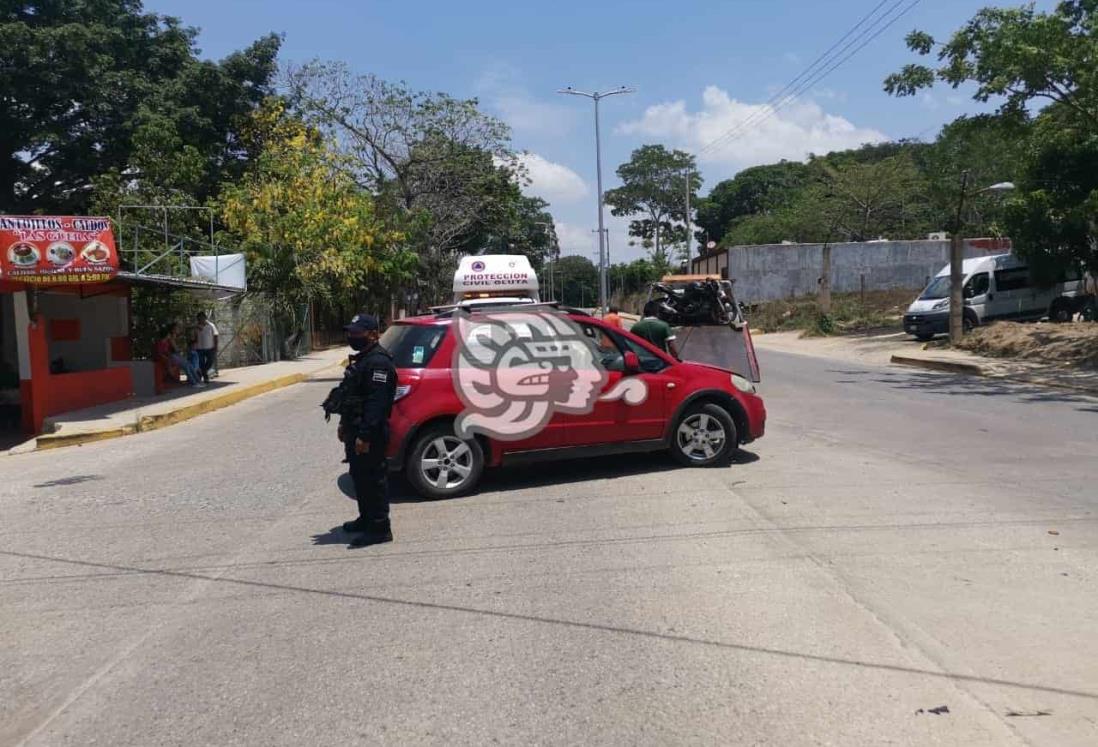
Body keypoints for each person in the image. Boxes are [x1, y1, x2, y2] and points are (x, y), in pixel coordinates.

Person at [337, 313, 397, 547]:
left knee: (374, 479)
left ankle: (380, 527)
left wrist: (365, 435)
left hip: (369, 433)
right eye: (350, 332)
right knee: (359, 477)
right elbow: (351, 396)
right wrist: (344, 424)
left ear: (373, 334)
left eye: (358, 333)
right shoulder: (364, 359)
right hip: (355, 428)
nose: (353, 336)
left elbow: (377, 404)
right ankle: (366, 519)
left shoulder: (379, 363)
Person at [194, 312, 219, 384]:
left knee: (210, 361)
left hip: (210, 347)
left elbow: (216, 336)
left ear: (205, 318)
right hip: (199, 348)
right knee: (201, 363)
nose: (200, 320)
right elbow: (195, 337)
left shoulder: (211, 325)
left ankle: (201, 373)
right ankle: (205, 377)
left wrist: (216, 346)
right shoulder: (196, 327)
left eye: (201, 318)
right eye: (199, 319)